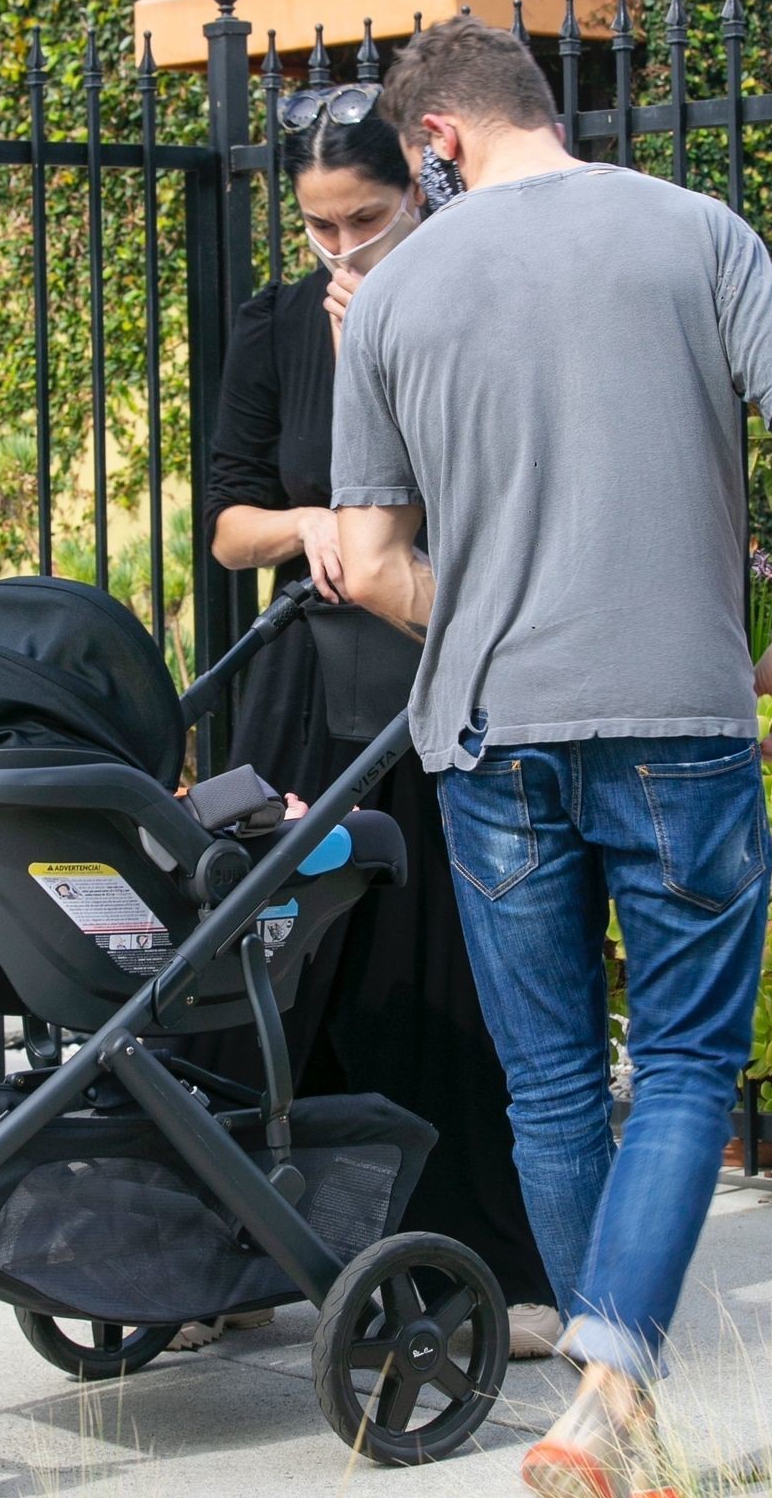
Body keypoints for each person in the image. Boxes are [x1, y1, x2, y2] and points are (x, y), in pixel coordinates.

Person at [330, 16, 772, 1498]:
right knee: (687, 1066)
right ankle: (609, 1401)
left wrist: (503, 602)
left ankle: (616, 1438)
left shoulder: (393, 293)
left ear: (435, 141)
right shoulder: (695, 231)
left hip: (492, 735)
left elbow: (364, 560)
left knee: (555, 1089)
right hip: (678, 723)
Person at [183, 86, 557, 1357]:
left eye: (367, 219)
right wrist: (306, 523)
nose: (343, 248)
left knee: (433, 970)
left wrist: (384, 358)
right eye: (320, 225)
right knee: (271, 960)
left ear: (420, 194)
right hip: (304, 687)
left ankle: (478, 1259)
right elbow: (228, 522)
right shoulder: (277, 322)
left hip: (442, 671)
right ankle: (233, 1250)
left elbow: (503, 489)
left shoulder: (475, 302)